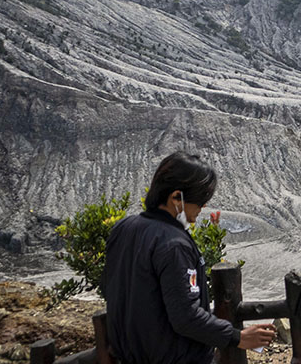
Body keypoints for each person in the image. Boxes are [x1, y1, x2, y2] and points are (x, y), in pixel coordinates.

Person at [102, 151, 275, 364]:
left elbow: (110, 289)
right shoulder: (174, 245)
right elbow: (186, 317)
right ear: (176, 197)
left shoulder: (123, 228)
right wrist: (238, 337)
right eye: (201, 201)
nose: (203, 208)